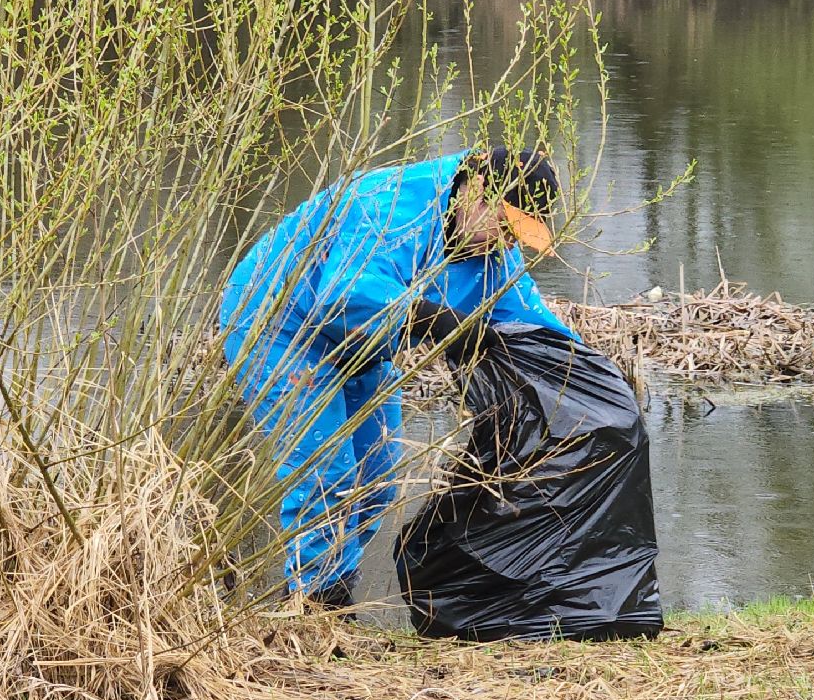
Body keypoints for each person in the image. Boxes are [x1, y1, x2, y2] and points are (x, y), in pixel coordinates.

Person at [219, 146, 577, 607]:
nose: (507, 244)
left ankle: (330, 589)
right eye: (506, 228)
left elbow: (523, 311)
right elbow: (342, 292)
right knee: (324, 471)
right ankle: (314, 606)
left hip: (361, 341)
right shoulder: (389, 203)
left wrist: (583, 367)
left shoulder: (484, 247)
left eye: (518, 237)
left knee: (376, 476)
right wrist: (434, 319)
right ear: (479, 191)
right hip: (278, 324)